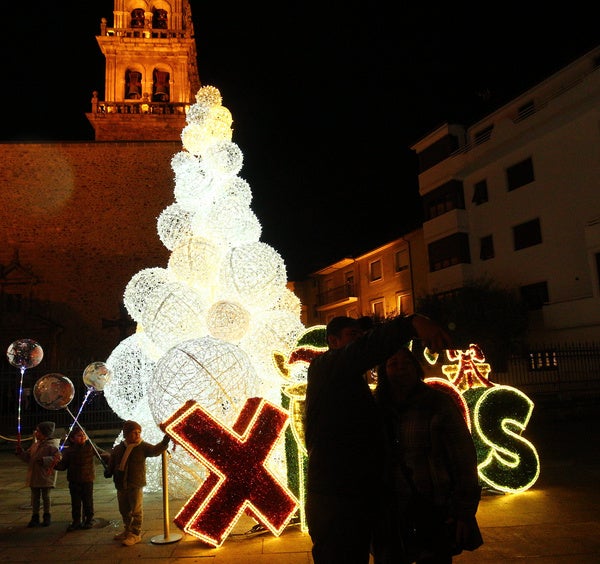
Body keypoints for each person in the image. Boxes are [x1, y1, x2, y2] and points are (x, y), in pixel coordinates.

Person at [304, 314, 452, 564]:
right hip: (335, 501)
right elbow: (365, 350)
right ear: (333, 341)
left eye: (362, 336)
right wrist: (411, 324)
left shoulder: (356, 386)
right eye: (353, 335)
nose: (360, 341)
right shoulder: (324, 367)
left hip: (355, 499)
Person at [373, 347, 483, 563]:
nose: (400, 369)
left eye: (406, 363)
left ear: (417, 368)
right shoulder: (376, 407)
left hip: (432, 504)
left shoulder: (437, 403)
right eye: (393, 364)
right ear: (384, 372)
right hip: (390, 510)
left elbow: (463, 456)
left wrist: (463, 511)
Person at [103, 420, 171, 546]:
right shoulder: (118, 448)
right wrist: (108, 471)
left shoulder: (142, 446)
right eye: (134, 433)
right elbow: (113, 462)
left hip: (135, 483)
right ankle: (127, 530)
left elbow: (155, 450)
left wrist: (165, 442)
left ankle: (135, 533)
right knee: (124, 510)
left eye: (139, 432)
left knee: (136, 510)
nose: (137, 435)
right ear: (126, 434)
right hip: (120, 484)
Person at [54, 426, 108, 531]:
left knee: (88, 501)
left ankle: (89, 519)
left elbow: (101, 454)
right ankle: (76, 521)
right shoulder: (69, 450)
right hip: (74, 479)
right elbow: (63, 465)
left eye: (84, 434)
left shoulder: (90, 446)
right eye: (79, 435)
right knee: (76, 502)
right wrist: (55, 463)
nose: (82, 437)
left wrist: (111, 459)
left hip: (87, 479)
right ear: (72, 438)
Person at [14, 420, 60, 527]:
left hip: (45, 475)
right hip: (34, 475)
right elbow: (29, 458)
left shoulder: (52, 445)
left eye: (38, 431)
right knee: (35, 497)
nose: (36, 433)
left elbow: (57, 458)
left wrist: (45, 460)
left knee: (46, 497)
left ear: (44, 433)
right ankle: (35, 516)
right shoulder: (35, 445)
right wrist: (21, 453)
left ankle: (47, 515)